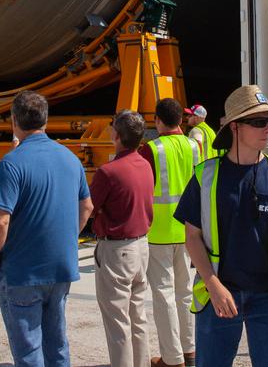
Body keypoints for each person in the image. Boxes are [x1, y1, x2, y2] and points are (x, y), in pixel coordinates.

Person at [176, 85, 268, 367]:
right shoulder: (206, 177)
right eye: (259, 122)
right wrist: (213, 285)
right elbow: (192, 237)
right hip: (219, 294)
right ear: (235, 127)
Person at [0, 91, 92, 367]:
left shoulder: (12, 163)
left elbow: (0, 220)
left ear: (14, 120)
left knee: (29, 350)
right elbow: (87, 208)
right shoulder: (70, 159)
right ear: (46, 120)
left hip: (23, 271)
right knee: (56, 343)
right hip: (61, 269)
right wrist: (68, 240)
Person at [90, 110, 154, 367]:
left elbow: (89, 207)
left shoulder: (108, 172)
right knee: (137, 315)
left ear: (116, 136)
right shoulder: (145, 165)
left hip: (117, 250)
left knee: (117, 321)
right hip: (141, 247)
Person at [142, 97, 201, 367]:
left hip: (160, 230)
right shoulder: (194, 145)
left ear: (157, 120)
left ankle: (172, 357)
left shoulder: (151, 150)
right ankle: (190, 349)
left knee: (163, 293)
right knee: (185, 291)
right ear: (181, 119)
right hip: (189, 229)